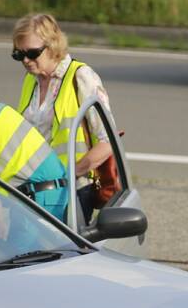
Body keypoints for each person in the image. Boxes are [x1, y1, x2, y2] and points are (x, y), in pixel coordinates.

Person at [12, 13, 116, 223]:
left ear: (53, 46)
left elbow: (108, 141)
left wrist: (72, 173)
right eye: (18, 54)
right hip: (34, 190)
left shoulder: (81, 76)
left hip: (71, 192)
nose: (25, 60)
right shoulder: (30, 80)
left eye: (32, 53)